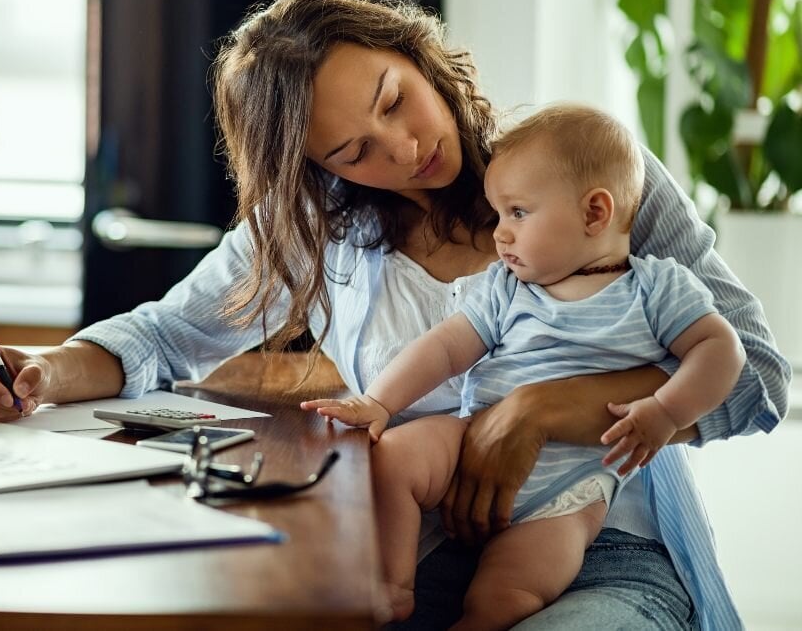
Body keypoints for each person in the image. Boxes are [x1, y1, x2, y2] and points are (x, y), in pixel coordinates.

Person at [0, 0, 790, 629]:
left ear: (417, 53)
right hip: (421, 554)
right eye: (352, 151)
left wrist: (536, 410)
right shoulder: (318, 226)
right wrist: (41, 371)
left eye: (395, 100)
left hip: (606, 547)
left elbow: (757, 380)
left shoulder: (585, 170)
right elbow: (160, 335)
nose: (402, 150)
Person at [299, 103, 746, 629]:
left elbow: (724, 349)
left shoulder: (655, 289)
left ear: (594, 214)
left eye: (517, 213)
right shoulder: (508, 288)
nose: (500, 235)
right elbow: (444, 348)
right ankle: (393, 587)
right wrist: (379, 403)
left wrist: (668, 411)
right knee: (394, 457)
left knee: (504, 594)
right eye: (498, 214)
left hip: (573, 490)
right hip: (473, 441)